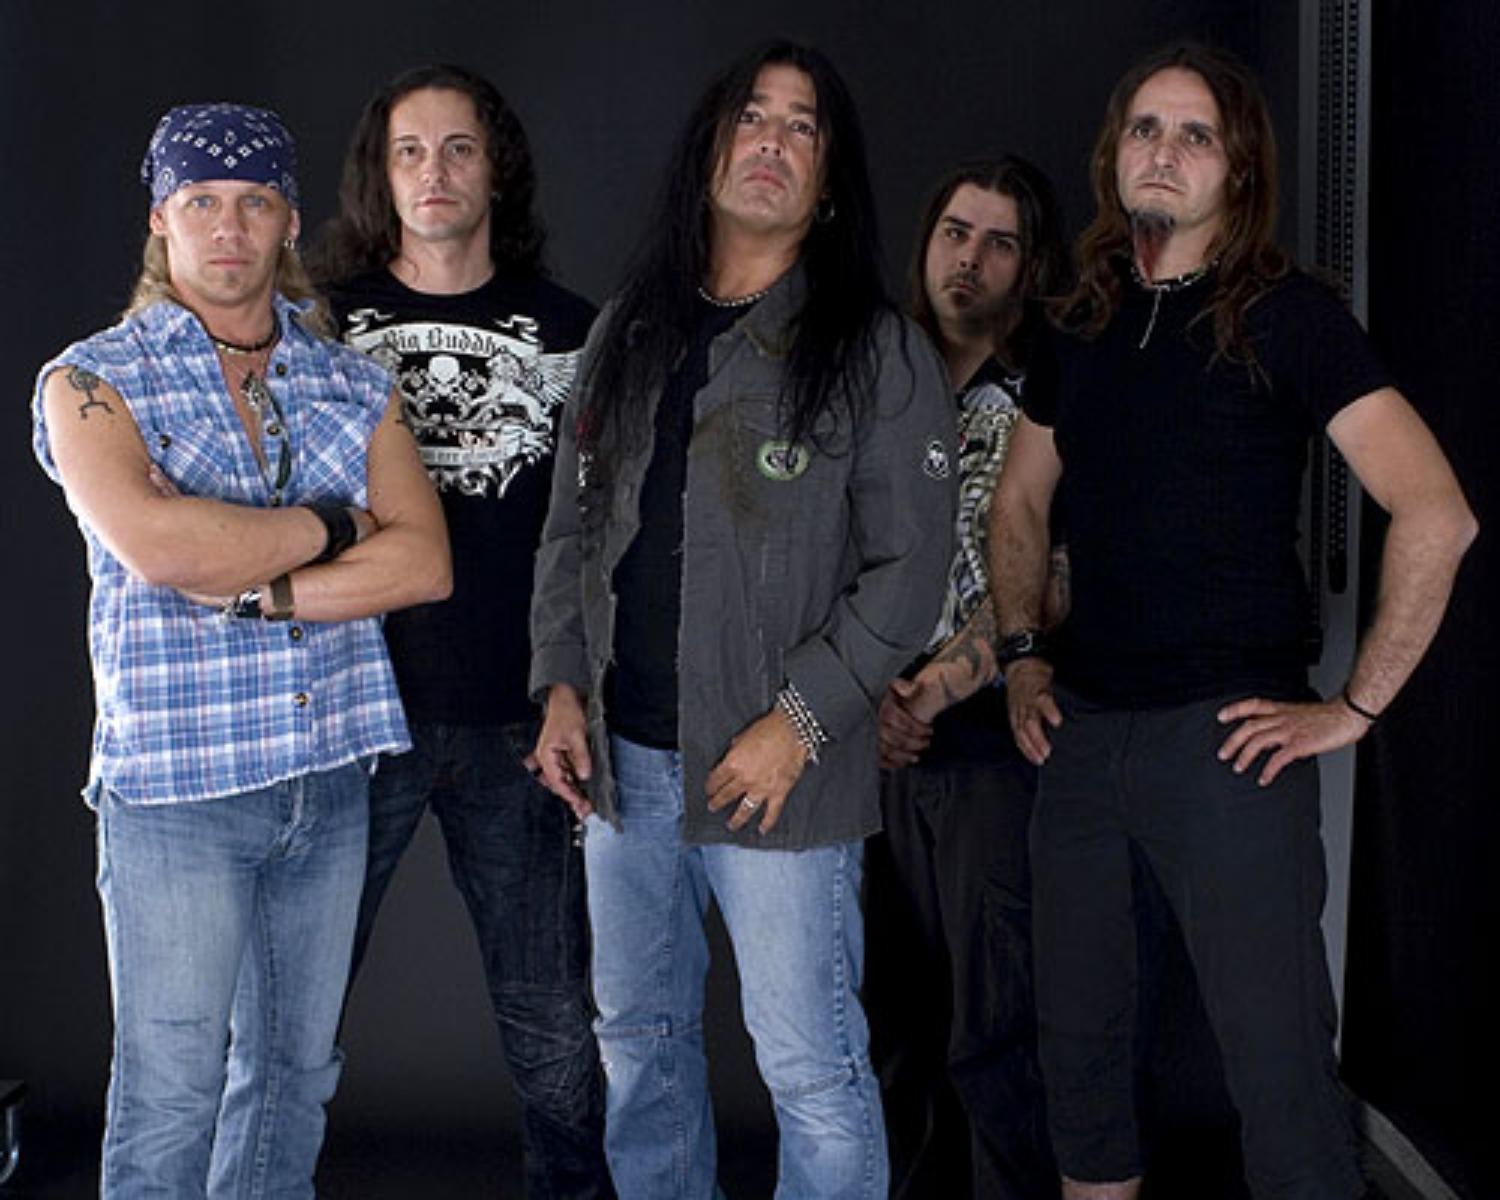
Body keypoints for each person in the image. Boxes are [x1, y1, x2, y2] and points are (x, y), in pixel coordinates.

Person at [989, 43, 1477, 1200]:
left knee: (1279, 1071)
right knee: (1079, 1061)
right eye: (1146, 129)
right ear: (1115, 156)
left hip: (1228, 745)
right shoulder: (1078, 321)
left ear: (1239, 170)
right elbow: (1017, 501)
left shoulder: (1289, 317)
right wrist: (1020, 656)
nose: (1164, 152)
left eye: (1195, 135)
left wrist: (1355, 708)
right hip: (1078, 740)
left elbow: (1438, 512)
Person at [528, 39, 957, 1200]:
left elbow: (910, 575)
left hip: (780, 778)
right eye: (751, 118)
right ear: (710, 150)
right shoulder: (630, 329)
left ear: (828, 184)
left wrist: (800, 724)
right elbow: (573, 529)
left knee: (813, 1069)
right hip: (624, 768)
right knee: (641, 1048)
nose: (771, 142)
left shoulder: (874, 351)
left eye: (801, 126)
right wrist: (562, 687)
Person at [31, 102, 451, 1197]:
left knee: (293, 1081)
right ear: (160, 220)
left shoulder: (350, 381)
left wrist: (262, 584)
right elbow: (163, 549)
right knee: (171, 1092)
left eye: (254, 202)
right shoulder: (92, 381)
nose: (229, 227)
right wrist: (339, 523)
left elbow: (424, 565)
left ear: (289, 222)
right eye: (202, 202)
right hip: (181, 790)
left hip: (328, 780)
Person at [311, 64, 610, 1196]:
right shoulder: (320, 325)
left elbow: (600, 536)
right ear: (380, 176)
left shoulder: (573, 332)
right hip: (348, 715)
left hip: (514, 718)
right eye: (409, 151)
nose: (433, 172)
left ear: (497, 170)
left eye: (458, 148)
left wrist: (571, 690)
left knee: (555, 1030)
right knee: (291, 1017)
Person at [865, 155, 1068, 1200]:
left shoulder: (1050, 394)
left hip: (993, 744)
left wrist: (941, 685)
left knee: (996, 1026)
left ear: (1031, 267)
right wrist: (872, 698)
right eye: (955, 233)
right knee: (887, 1023)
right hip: (866, 742)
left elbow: (1059, 572)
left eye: (999, 243)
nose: (970, 260)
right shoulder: (872, 385)